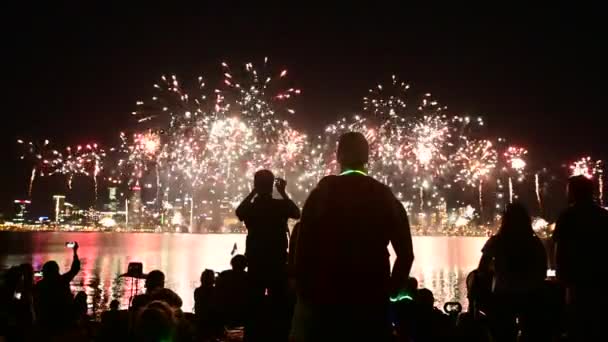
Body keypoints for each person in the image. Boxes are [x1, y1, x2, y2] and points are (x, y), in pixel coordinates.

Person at [293, 132, 414, 341]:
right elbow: (406, 255)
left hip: (327, 296)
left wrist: (306, 292)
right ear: (367, 157)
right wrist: (390, 291)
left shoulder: (320, 195)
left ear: (338, 156)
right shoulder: (385, 196)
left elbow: (301, 251)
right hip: (371, 296)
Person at [236, 169, 301, 340]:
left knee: (253, 303)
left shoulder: (252, 207)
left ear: (256, 185)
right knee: (278, 303)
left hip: (256, 261)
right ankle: (278, 335)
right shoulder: (279, 206)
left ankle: (252, 335)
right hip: (277, 261)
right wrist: (283, 193)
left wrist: (253, 192)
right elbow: (297, 213)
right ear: (272, 185)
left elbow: (239, 212)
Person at [478, 202, 548, 341]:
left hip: (503, 295)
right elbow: (542, 270)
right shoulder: (534, 243)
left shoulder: (497, 241)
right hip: (529, 296)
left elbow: (482, 269)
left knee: (503, 335)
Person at [553, 175, 608, 340]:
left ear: (574, 192)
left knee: (577, 323)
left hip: (576, 279)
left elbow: (560, 247)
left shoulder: (567, 216)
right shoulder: (603, 216)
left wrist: (560, 274)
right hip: (601, 278)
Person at [34, 241, 81, 332]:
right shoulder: (63, 280)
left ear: (45, 272)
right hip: (64, 316)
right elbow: (75, 268)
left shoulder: (40, 284)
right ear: (56, 270)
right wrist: (75, 251)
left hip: (46, 319)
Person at [216, 255, 249, 328]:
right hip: (242, 313)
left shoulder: (224, 274)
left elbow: (218, 293)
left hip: (226, 313)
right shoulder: (247, 277)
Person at [194, 269, 221, 340]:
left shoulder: (198, 291)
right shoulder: (215, 291)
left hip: (201, 321)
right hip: (212, 322)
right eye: (213, 277)